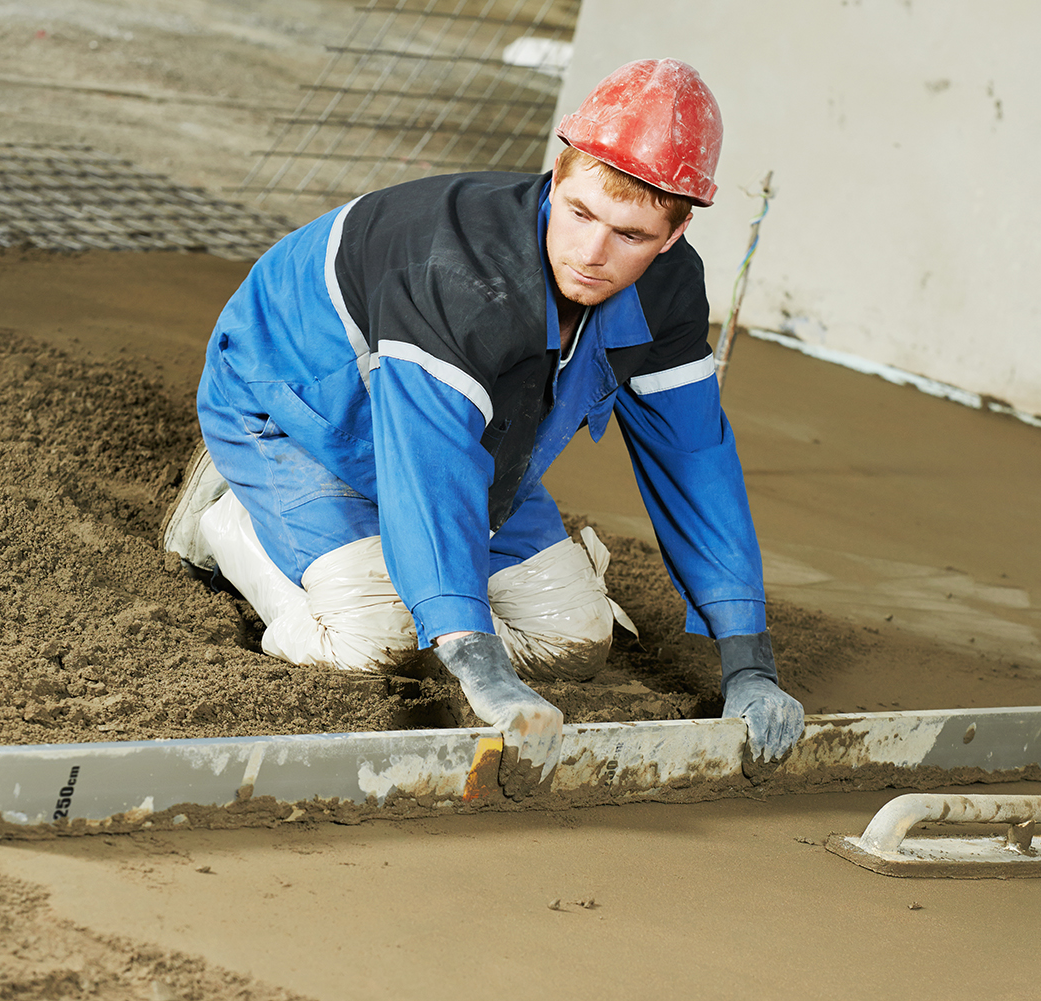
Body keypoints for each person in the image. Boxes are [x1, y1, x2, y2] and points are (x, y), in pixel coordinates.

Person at [162, 58, 804, 798]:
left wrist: (750, 667)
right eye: (581, 214)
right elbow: (428, 466)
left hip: (474, 430)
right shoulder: (459, 271)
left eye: (629, 234)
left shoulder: (669, 290)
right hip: (298, 409)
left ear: (675, 231)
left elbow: (693, 460)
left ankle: (374, 563)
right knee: (377, 641)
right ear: (557, 178)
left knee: (574, 638)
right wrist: (480, 666)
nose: (592, 254)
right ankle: (232, 517)